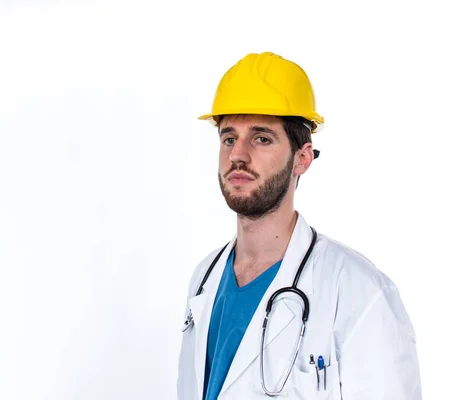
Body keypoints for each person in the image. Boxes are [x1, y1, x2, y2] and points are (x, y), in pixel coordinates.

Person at [177, 52, 421, 400]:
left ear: (302, 158)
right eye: (229, 138)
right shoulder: (204, 279)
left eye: (261, 138)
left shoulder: (358, 292)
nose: (238, 155)